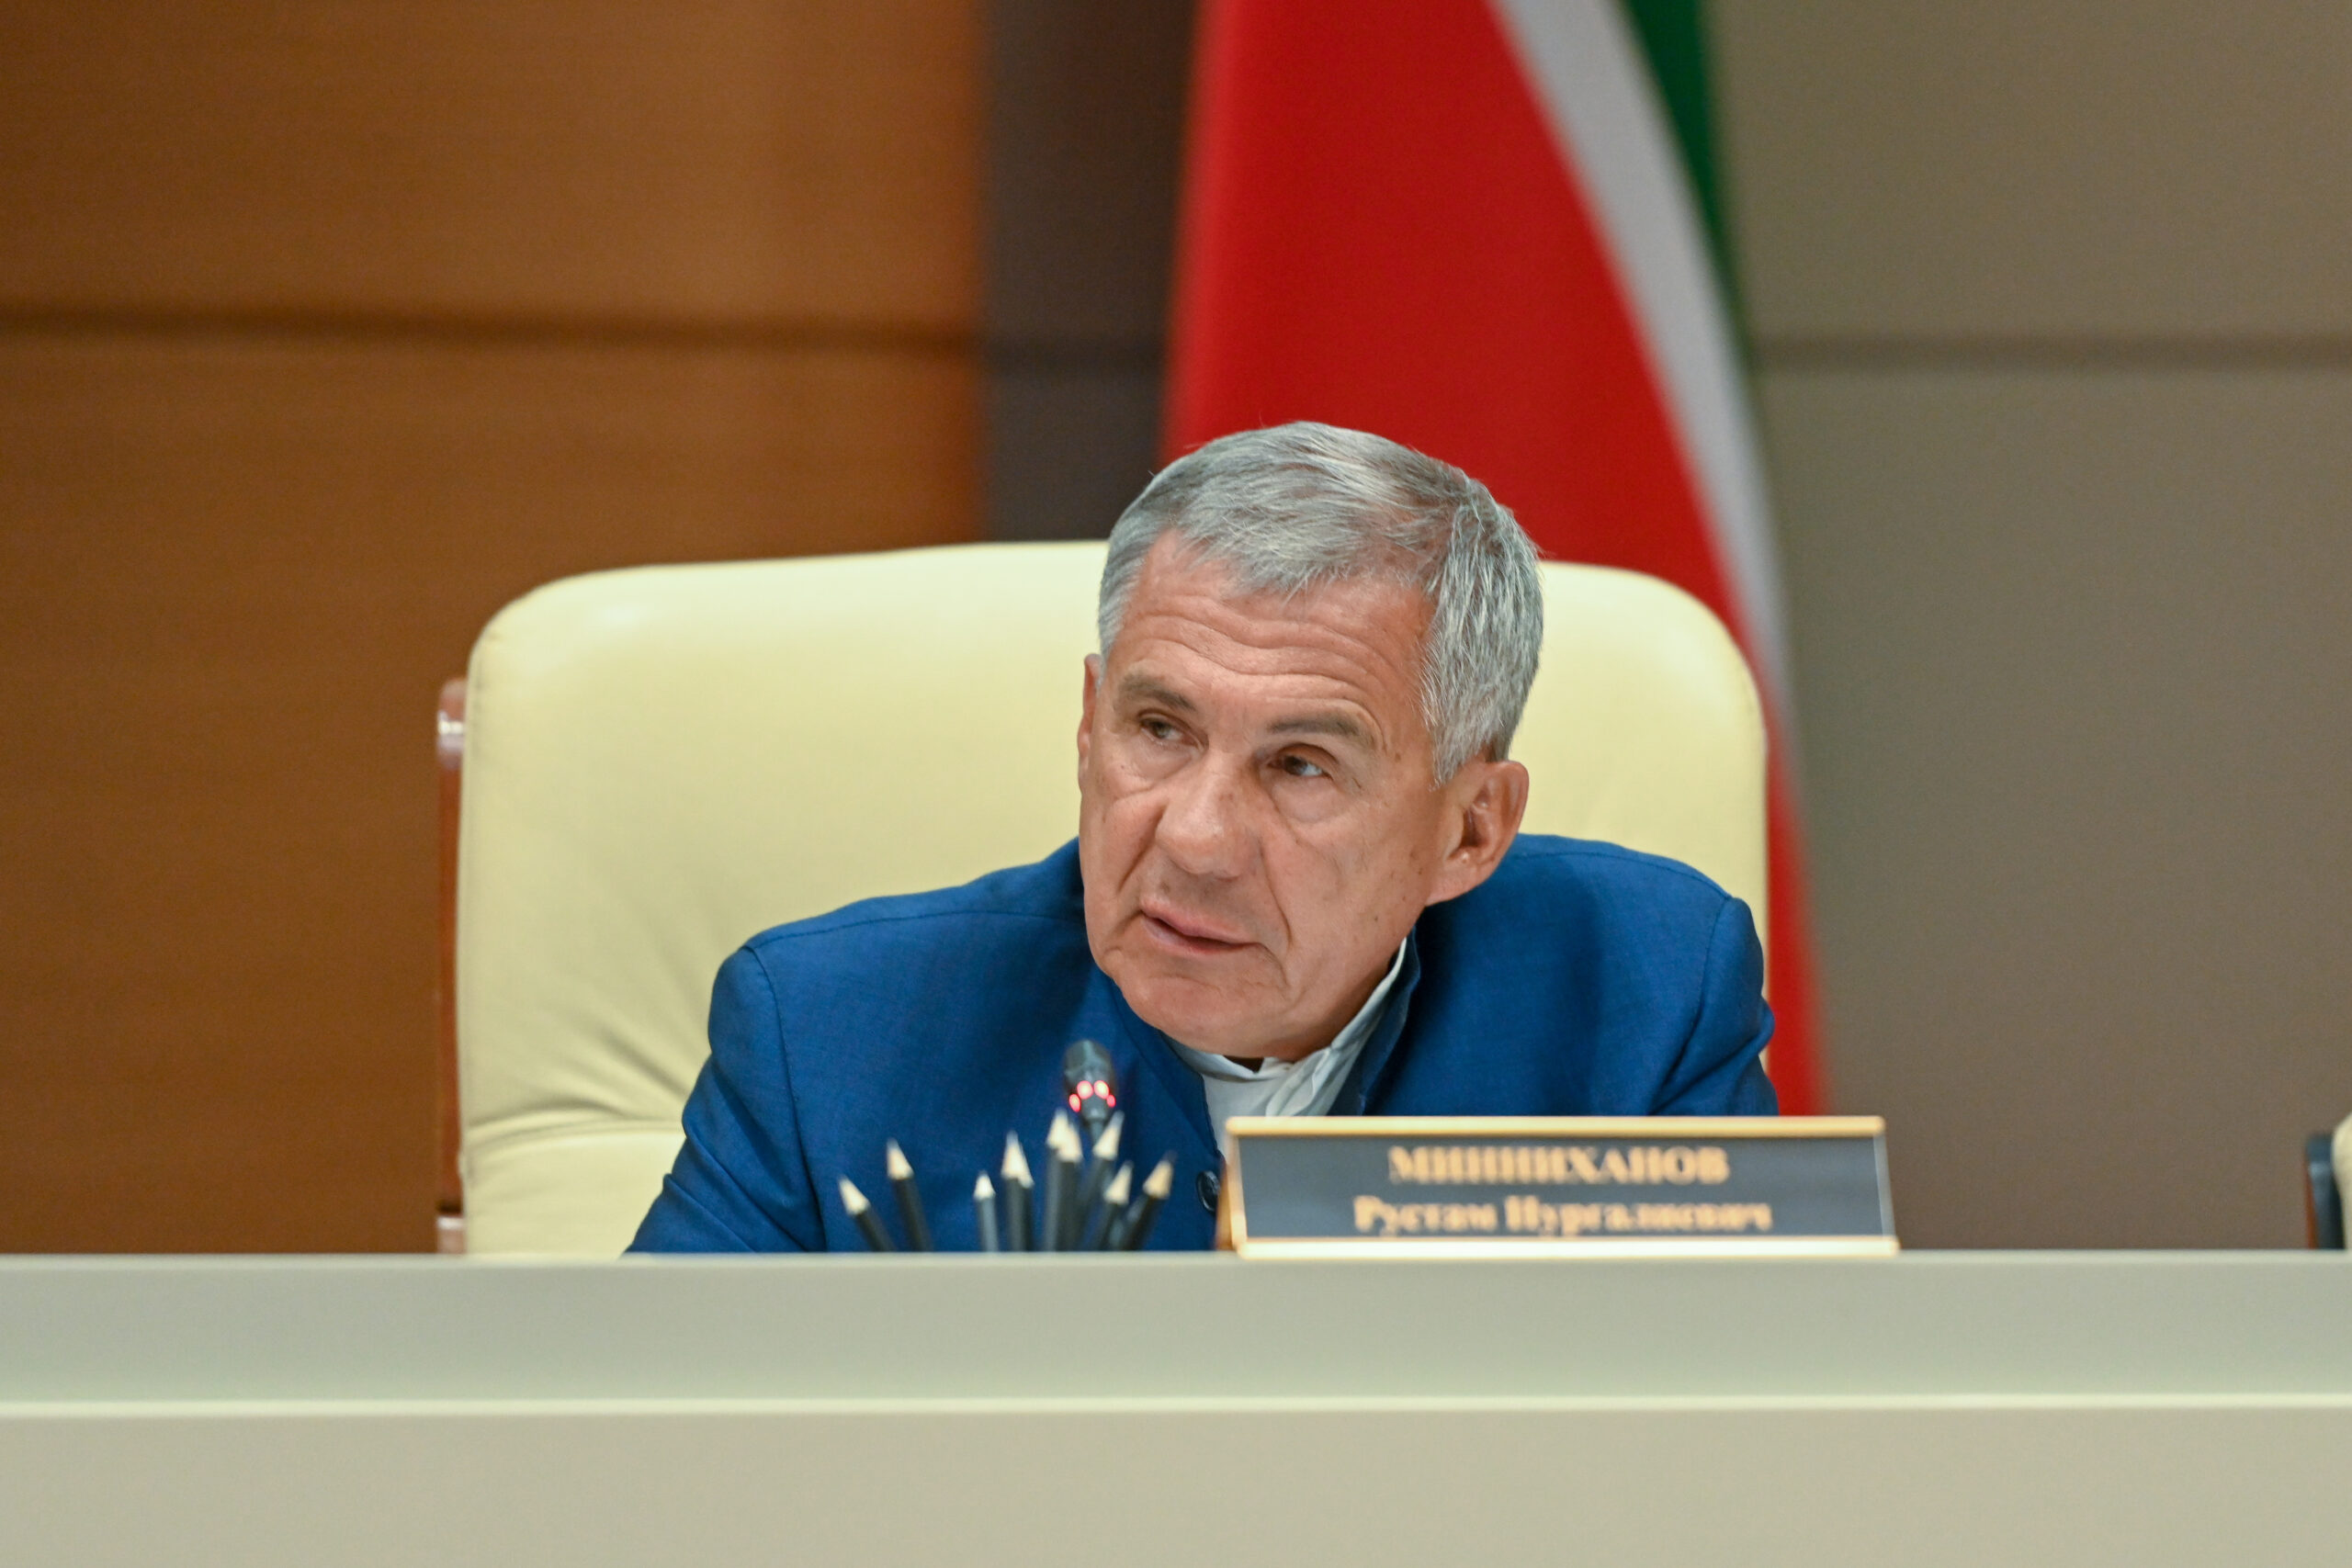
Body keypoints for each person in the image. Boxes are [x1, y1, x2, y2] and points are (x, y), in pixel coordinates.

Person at [630, 423, 1775, 1252]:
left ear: (1470, 832)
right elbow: (639, 1463)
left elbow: (1748, 1438)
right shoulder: (829, 1037)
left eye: (1301, 765)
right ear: (1088, 727)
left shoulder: (1643, 994)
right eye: (1160, 730)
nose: (1196, 837)